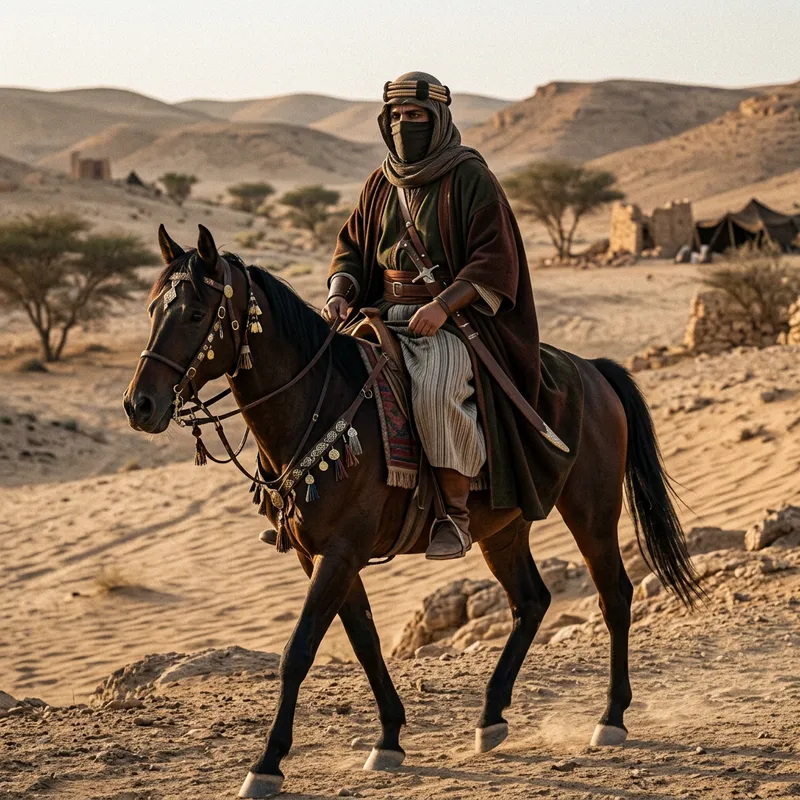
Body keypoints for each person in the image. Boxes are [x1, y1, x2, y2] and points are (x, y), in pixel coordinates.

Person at [324, 71, 569, 560]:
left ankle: (453, 516)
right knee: (323, 377)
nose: (403, 125)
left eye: (414, 116)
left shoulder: (470, 176)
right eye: (395, 116)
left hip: (454, 321)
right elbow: (351, 247)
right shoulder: (380, 183)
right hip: (380, 312)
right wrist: (339, 291)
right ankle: (311, 509)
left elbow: (494, 259)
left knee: (436, 389)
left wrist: (442, 306)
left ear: (437, 119)